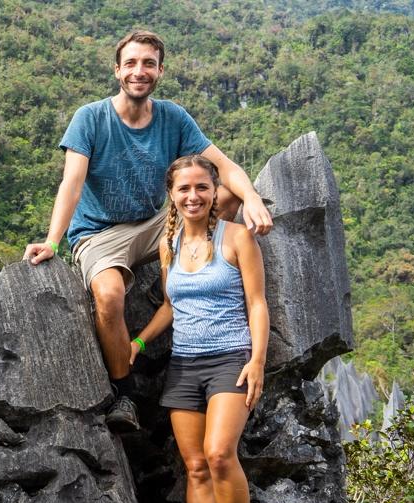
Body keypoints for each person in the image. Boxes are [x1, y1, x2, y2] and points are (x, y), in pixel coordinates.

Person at [23, 29, 273, 431]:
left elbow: (223, 167)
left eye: (149, 64)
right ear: (117, 70)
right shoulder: (91, 117)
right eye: (132, 64)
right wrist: (54, 240)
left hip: (156, 226)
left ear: (160, 70)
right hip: (99, 232)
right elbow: (71, 182)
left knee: (225, 194)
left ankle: (193, 275)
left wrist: (253, 199)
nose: (140, 71)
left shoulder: (172, 117)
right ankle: (124, 393)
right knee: (108, 295)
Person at [130, 154, 269, 503]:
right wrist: (140, 343)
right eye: (184, 189)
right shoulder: (169, 243)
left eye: (202, 188)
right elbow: (171, 306)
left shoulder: (238, 237)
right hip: (185, 364)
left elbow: (257, 304)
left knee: (219, 453)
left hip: (230, 359)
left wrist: (258, 361)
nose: (193, 196)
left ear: (215, 193)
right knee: (193, 467)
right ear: (172, 195)